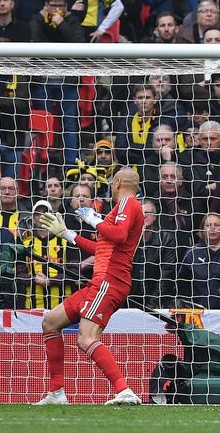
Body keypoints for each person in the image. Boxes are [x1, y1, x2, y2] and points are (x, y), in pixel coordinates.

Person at [35, 167, 144, 406]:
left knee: (86, 338)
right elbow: (102, 249)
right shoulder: (126, 207)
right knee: (50, 322)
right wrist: (67, 234)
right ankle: (56, 393)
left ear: (117, 183)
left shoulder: (128, 204)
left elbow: (118, 234)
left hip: (110, 280)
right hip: (102, 280)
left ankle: (123, 389)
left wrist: (93, 219)